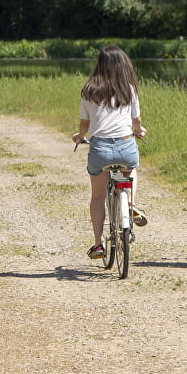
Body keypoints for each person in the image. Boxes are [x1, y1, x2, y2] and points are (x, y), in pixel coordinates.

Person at [72, 45, 147, 259]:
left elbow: (84, 123)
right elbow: (136, 120)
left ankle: (98, 244)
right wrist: (138, 131)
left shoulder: (89, 90)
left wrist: (79, 136)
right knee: (131, 170)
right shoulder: (128, 89)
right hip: (125, 146)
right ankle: (130, 204)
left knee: (97, 196)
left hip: (100, 149)